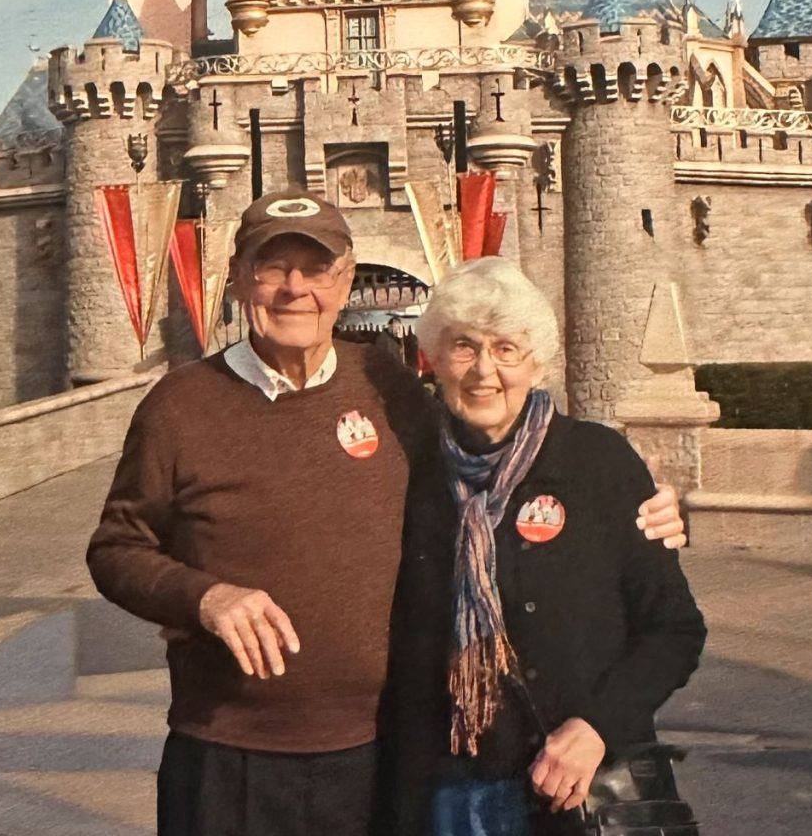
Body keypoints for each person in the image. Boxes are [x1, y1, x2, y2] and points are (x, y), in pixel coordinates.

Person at [85, 190, 686, 836]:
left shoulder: (386, 387)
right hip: (227, 755)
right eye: (271, 267)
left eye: (316, 270)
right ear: (236, 279)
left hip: (376, 757)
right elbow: (116, 547)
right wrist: (204, 598)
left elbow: (504, 467)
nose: (295, 290)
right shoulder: (181, 404)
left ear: (344, 282)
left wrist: (645, 510)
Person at [389, 258, 706, 835]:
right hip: (448, 794)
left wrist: (596, 727)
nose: (485, 370)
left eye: (505, 349)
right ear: (433, 360)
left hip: (577, 792)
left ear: (536, 362)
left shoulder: (598, 463)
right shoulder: (410, 472)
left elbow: (674, 629)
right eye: (464, 347)